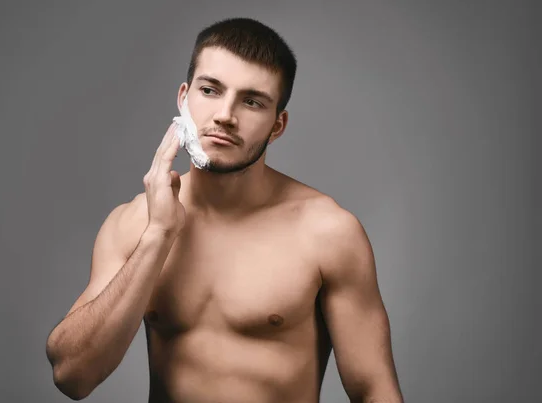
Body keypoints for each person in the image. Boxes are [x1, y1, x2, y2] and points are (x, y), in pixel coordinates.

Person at [45, 17, 404, 403]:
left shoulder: (327, 232)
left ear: (277, 125)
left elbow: (374, 390)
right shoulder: (134, 224)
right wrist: (158, 236)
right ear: (184, 98)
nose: (225, 115)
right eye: (210, 90)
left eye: (252, 101)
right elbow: (72, 376)